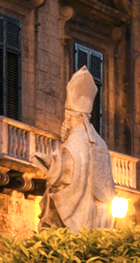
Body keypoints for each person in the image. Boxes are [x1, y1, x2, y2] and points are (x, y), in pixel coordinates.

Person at [46, 65, 118, 230]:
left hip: (82, 219)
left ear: (70, 115)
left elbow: (67, 174)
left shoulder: (75, 141)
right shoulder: (101, 143)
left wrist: (51, 163)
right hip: (100, 220)